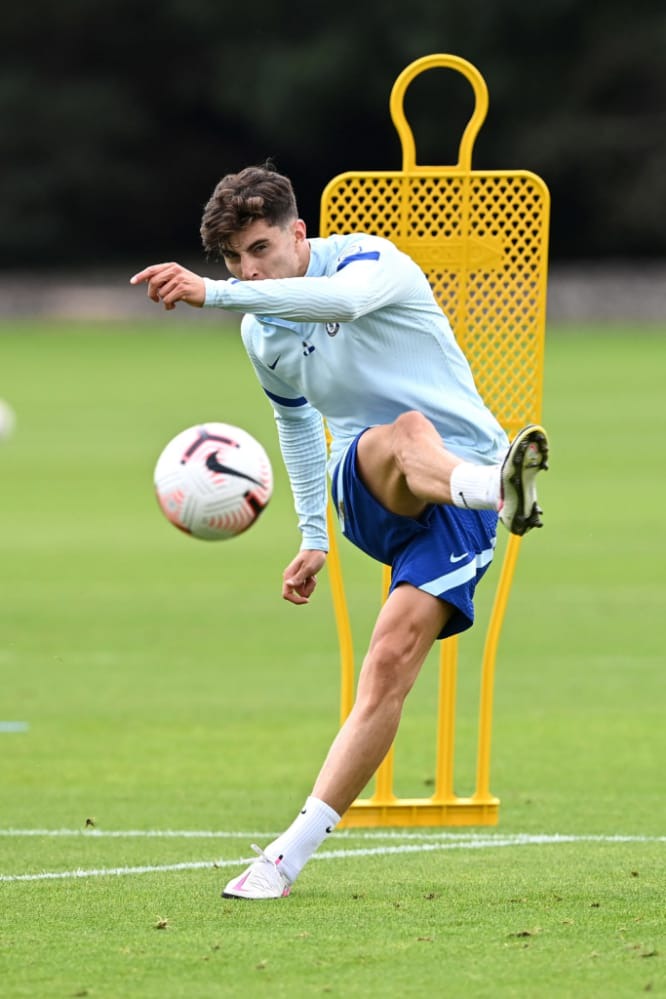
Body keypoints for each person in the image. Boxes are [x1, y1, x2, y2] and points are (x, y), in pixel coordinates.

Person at [131, 163, 549, 900]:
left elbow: (346, 303)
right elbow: (296, 425)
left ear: (299, 233)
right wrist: (312, 536)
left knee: (389, 664)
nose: (247, 270)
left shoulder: (370, 260)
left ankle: (282, 860)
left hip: (459, 498)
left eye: (260, 249)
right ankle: (500, 490)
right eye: (232, 259)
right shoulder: (261, 331)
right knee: (403, 431)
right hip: (370, 482)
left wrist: (215, 294)